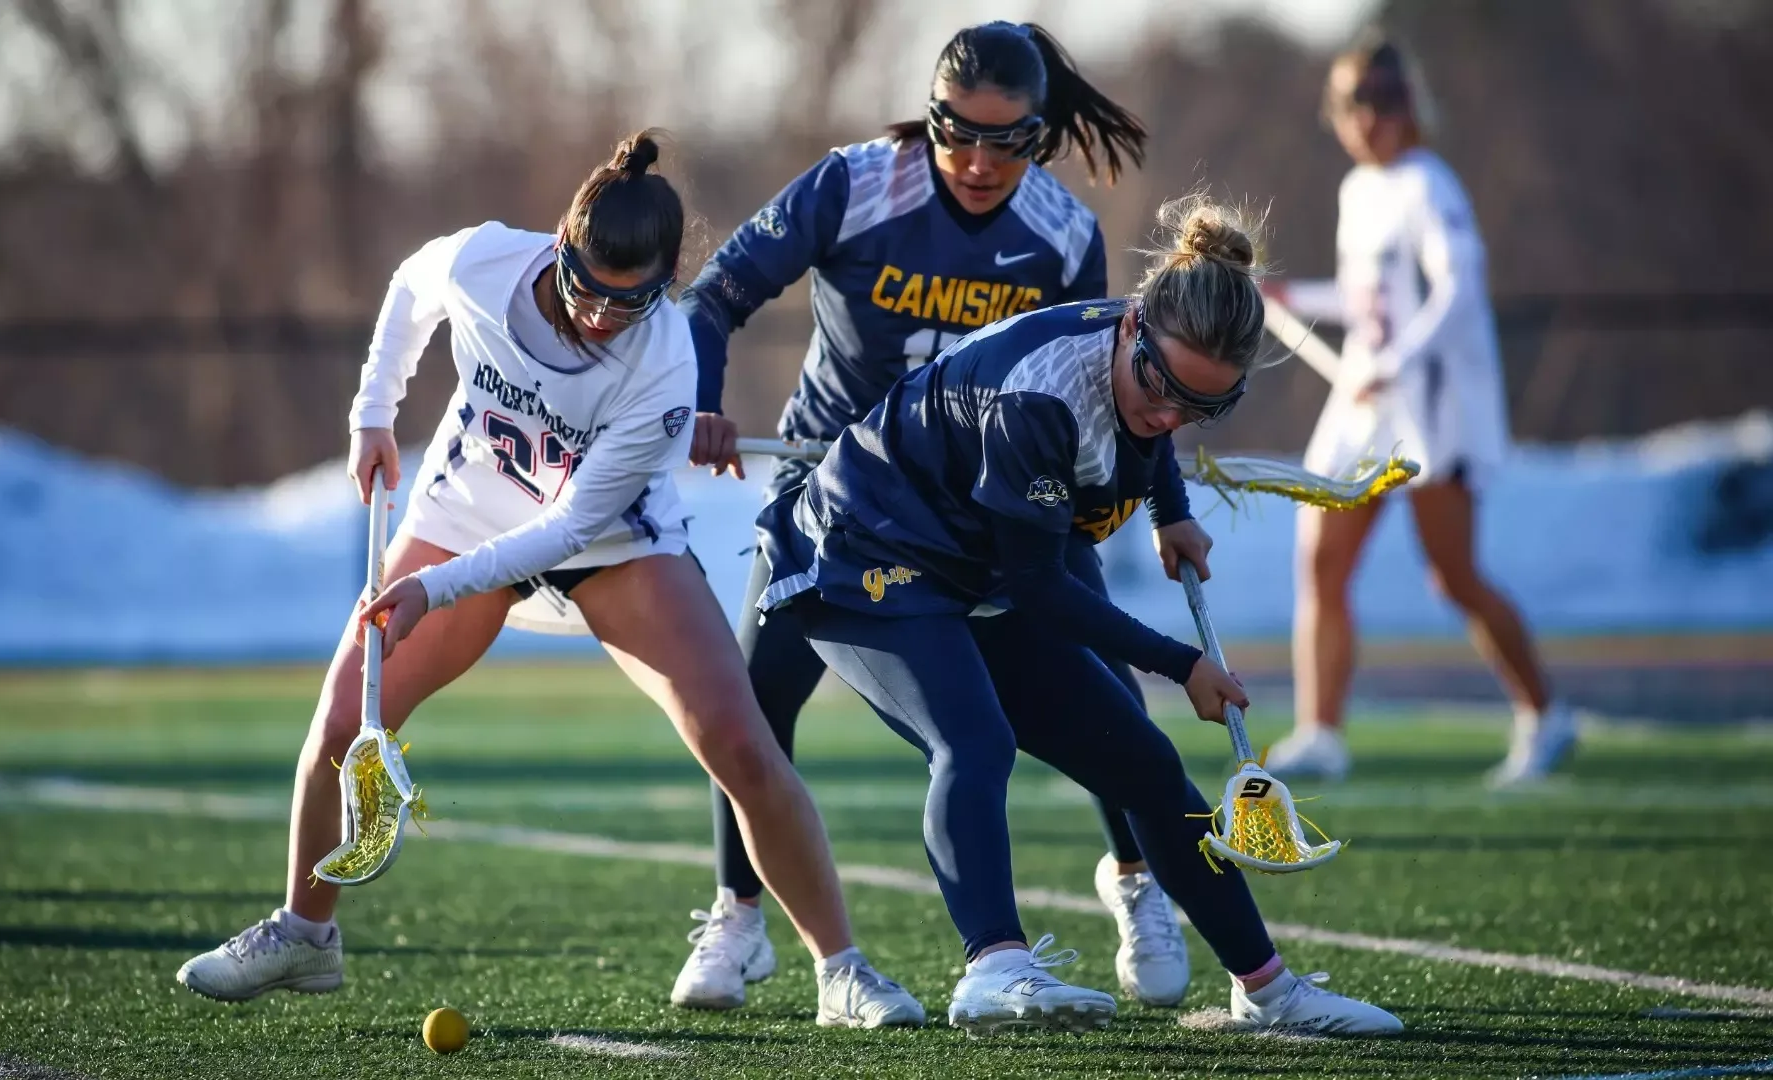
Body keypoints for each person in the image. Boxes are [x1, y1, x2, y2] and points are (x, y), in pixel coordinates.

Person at [174, 131, 924, 1030]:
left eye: (633, 300)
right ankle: (306, 933)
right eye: (588, 290)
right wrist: (373, 412)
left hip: (612, 541)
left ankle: (840, 969)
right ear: (561, 248)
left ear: (663, 286)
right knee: (343, 720)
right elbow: (413, 284)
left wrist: (434, 589)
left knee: (739, 739)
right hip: (468, 511)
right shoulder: (490, 260)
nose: (605, 316)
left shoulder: (666, 362)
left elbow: (567, 529)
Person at [751, 193, 1406, 1037]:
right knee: (974, 738)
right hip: (864, 550)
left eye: (1203, 407)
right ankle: (994, 968)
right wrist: (1183, 665)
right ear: (1135, 326)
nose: (1171, 415)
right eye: (1165, 389)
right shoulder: (1042, 397)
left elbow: (1148, 431)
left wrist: (1170, 507)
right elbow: (1044, 588)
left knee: (1143, 759)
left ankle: (1267, 989)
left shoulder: (1147, 358)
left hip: (968, 557)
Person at [673, 19, 1192, 1013]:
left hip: (992, 505)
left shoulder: (1062, 233)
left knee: (1101, 685)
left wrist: (1161, 504)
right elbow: (716, 296)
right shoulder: (856, 184)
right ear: (932, 112)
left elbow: (1110, 385)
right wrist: (702, 398)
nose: (981, 159)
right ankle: (739, 914)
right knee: (753, 699)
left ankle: (1136, 885)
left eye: (1011, 140)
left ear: (1040, 136)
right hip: (841, 495)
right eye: (961, 131)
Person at [1261, 31, 1573, 786]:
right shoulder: (1357, 191)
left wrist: (1397, 364)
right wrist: (1289, 297)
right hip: (1367, 402)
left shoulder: (1430, 186)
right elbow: (1371, 302)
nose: (1369, 118)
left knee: (1453, 575)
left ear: (1411, 107)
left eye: (1384, 101)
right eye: (1352, 103)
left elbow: (1458, 293)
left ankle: (1545, 713)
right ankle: (1322, 733)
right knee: (1322, 560)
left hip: (1435, 405)